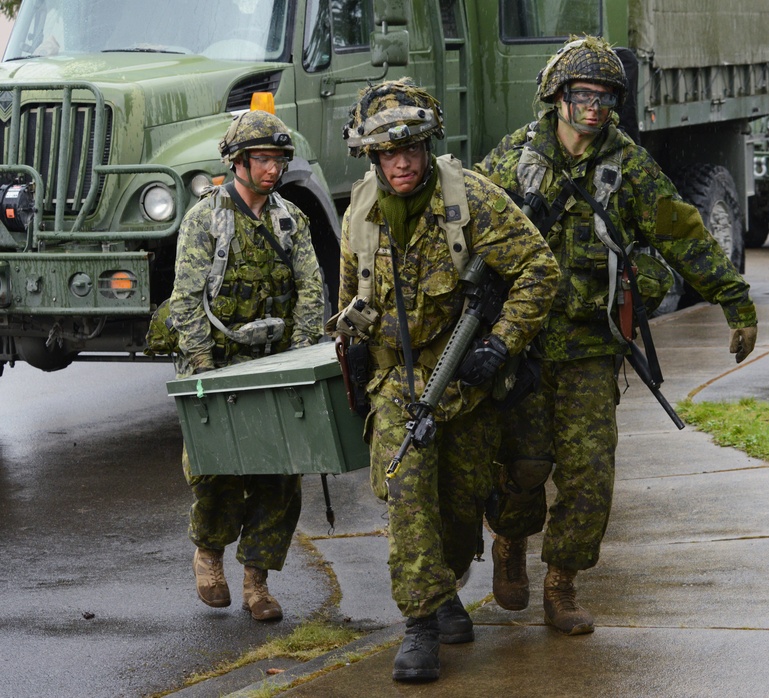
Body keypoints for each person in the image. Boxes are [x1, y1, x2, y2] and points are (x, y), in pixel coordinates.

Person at [474, 36, 759, 635]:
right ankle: (510, 544)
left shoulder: (628, 167)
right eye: (582, 94)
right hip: (520, 349)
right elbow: (462, 232)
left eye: (605, 96)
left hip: (589, 351)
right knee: (521, 467)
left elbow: (684, 234)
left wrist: (735, 300)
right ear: (556, 97)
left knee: (590, 474)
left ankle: (563, 584)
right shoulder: (509, 161)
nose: (594, 107)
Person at [334, 78, 559, 682]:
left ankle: (447, 588)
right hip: (396, 391)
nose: (400, 161)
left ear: (428, 145)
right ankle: (420, 626)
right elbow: (350, 292)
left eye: (410, 148)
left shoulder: (471, 202)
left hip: (464, 390)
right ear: (371, 156)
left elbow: (540, 268)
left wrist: (499, 342)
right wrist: (351, 349)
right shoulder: (360, 211)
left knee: (458, 515)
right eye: (387, 152)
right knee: (408, 502)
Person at [170, 110, 324, 622]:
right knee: (215, 471)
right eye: (262, 159)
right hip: (217, 362)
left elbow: (311, 291)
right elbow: (187, 299)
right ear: (237, 162)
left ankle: (257, 581)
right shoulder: (205, 219)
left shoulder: (290, 219)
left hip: (275, 361)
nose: (272, 169)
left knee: (280, 475)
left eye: (279, 160)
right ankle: (208, 556)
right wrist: (201, 366)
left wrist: (300, 357)